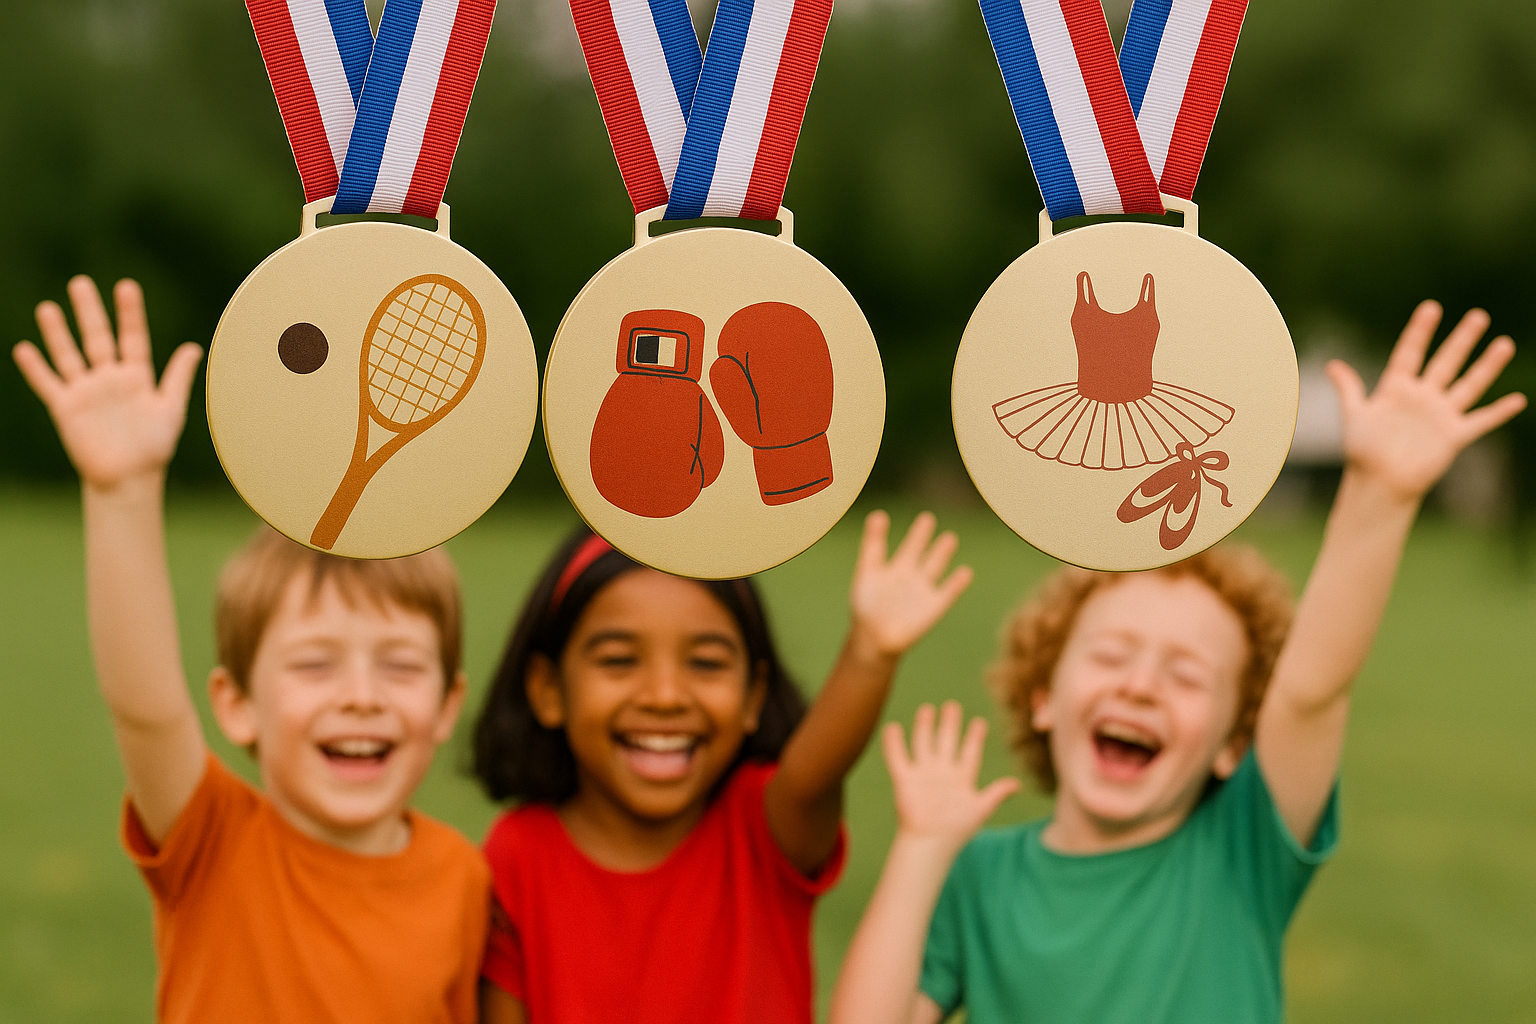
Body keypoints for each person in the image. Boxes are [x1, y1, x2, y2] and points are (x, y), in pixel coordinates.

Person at [829, 301, 1526, 1024]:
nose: (1139, 685)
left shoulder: (1242, 850)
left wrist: (1378, 494)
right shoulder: (980, 875)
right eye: (1112, 654)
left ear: (1234, 744)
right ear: (1042, 696)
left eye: (1186, 675)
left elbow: (1310, 692)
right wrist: (923, 849)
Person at [12, 276, 489, 1024]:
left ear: (446, 706)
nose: (361, 694)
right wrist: (122, 494)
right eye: (314, 663)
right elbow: (145, 707)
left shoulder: (464, 879)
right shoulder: (213, 841)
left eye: (398, 664)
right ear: (236, 706)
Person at [470, 510, 973, 1024]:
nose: (665, 696)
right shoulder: (517, 852)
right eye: (619, 660)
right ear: (548, 689)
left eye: (706, 663)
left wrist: (869, 654)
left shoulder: (763, 827)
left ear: (754, 695)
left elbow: (815, 771)